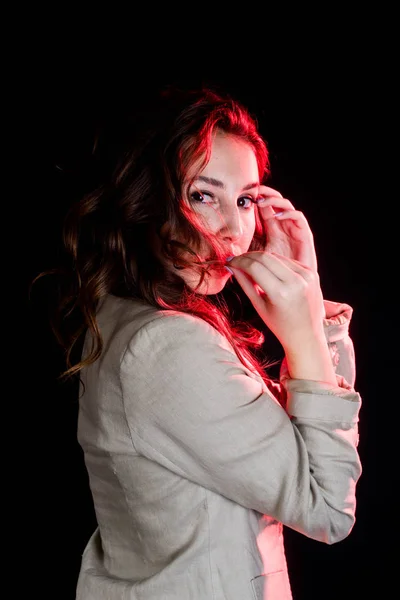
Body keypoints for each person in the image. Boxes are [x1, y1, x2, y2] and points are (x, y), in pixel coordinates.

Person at [38, 84, 362, 599]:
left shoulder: (129, 318)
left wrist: (310, 299)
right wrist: (303, 332)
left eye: (248, 199)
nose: (235, 229)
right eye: (202, 195)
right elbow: (327, 508)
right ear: (147, 198)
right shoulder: (165, 345)